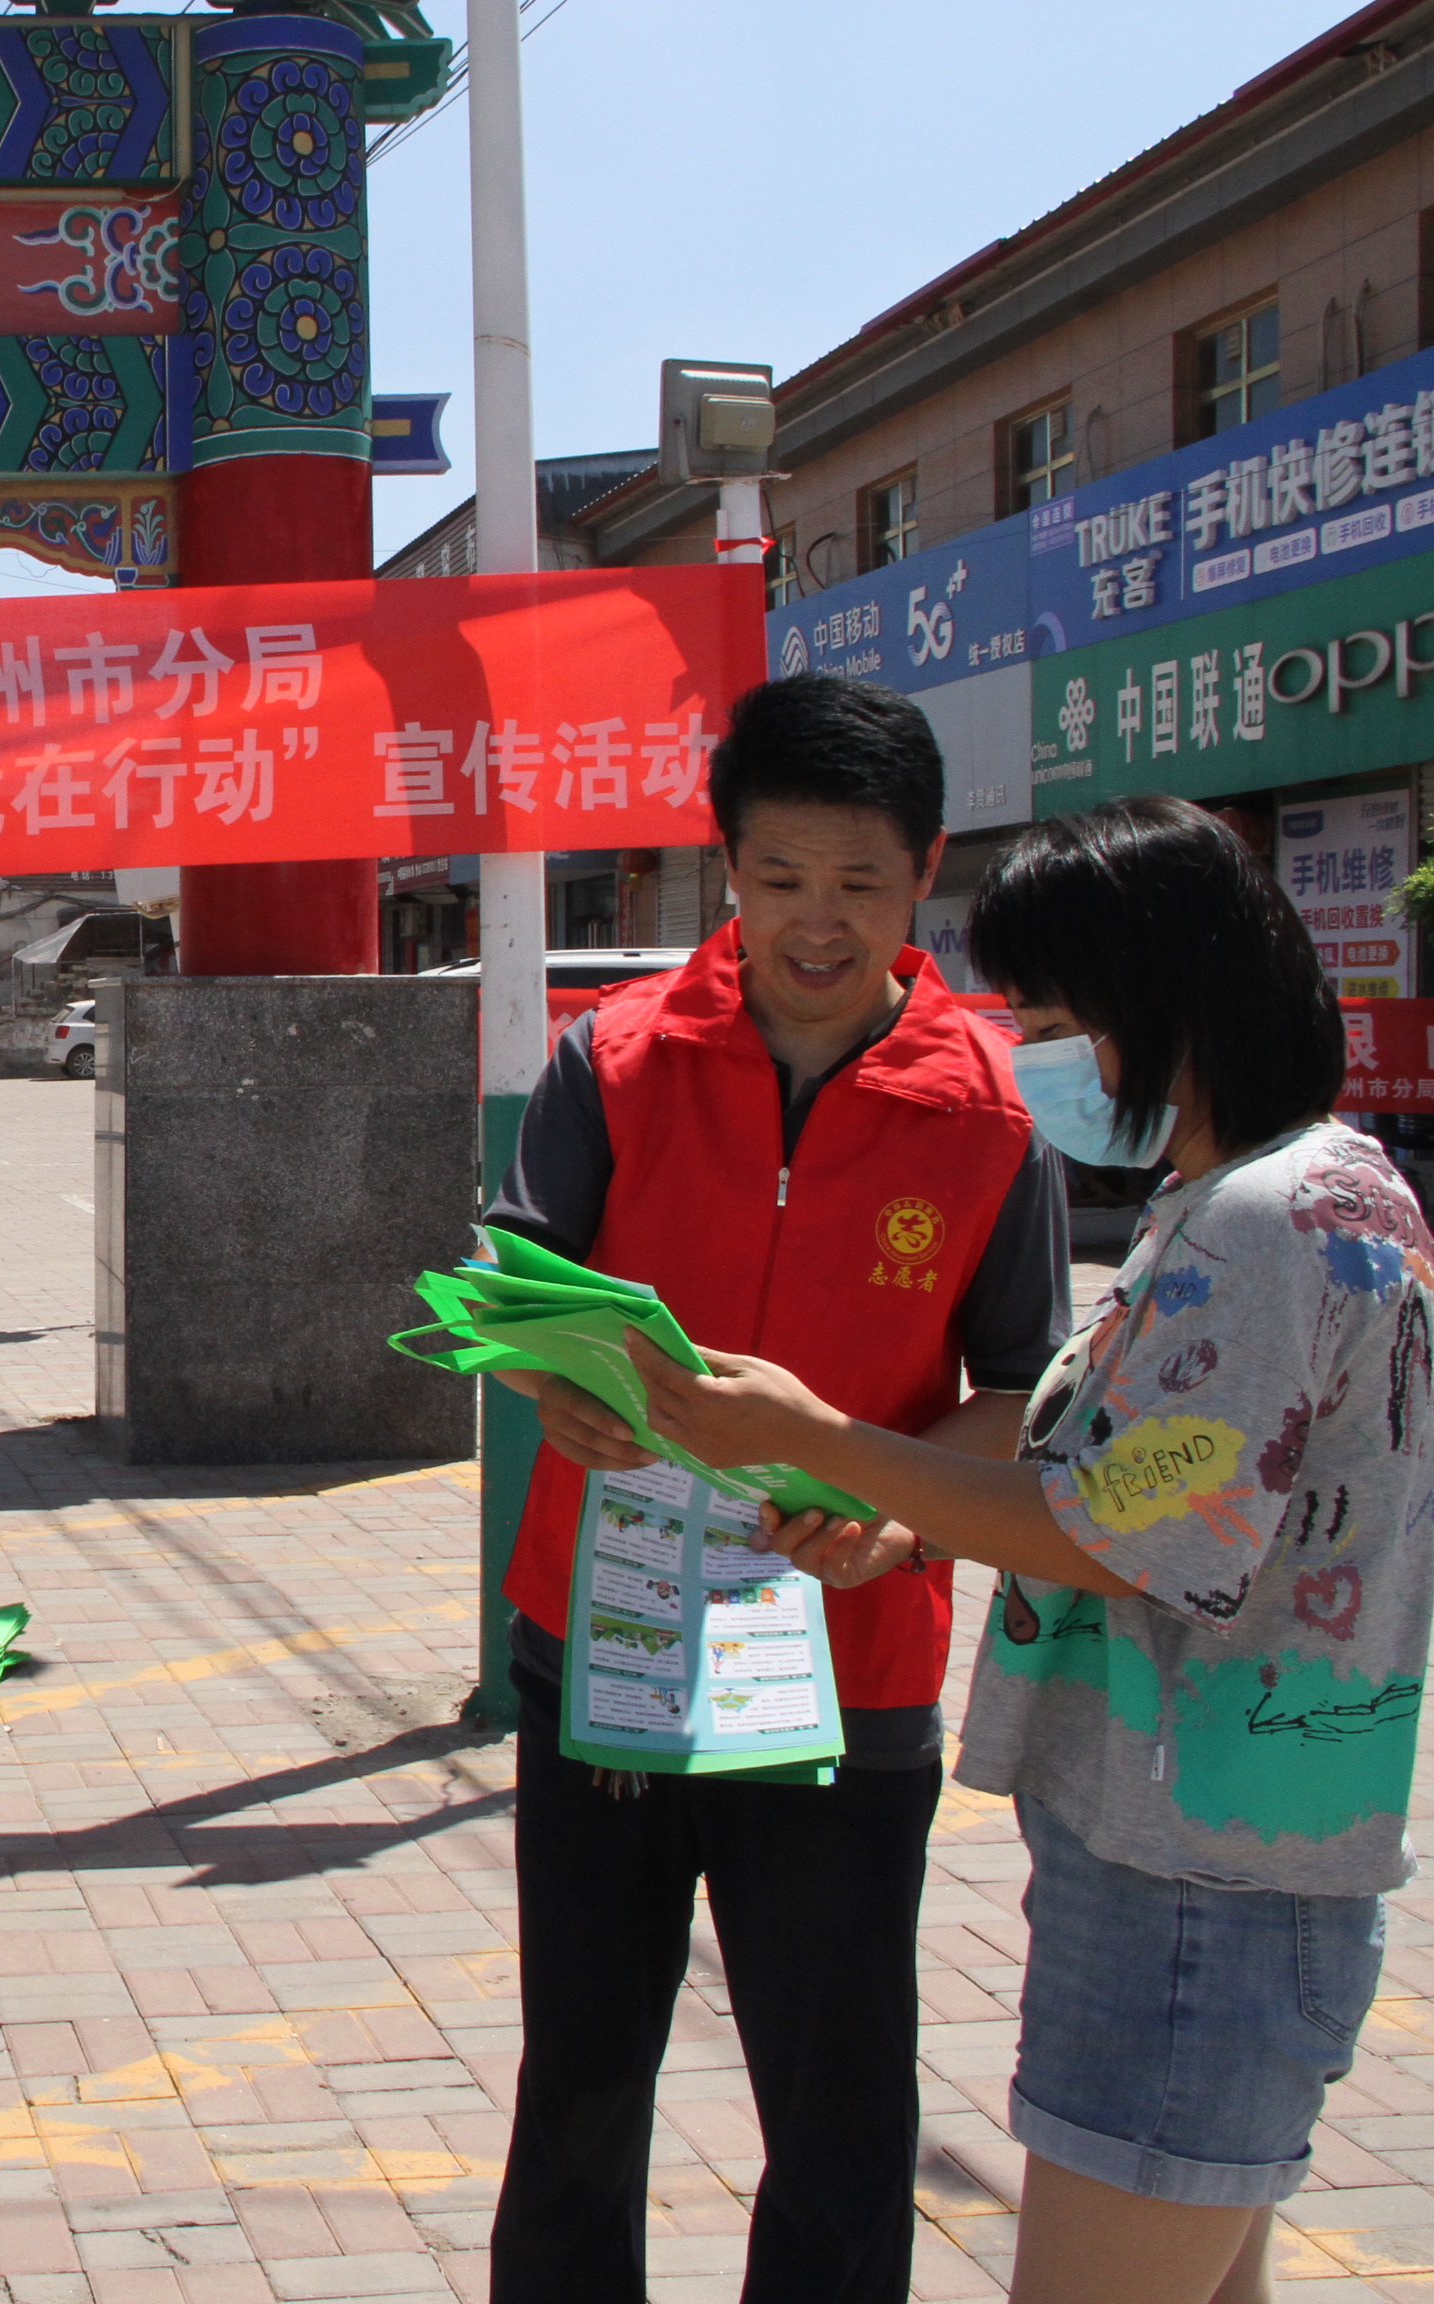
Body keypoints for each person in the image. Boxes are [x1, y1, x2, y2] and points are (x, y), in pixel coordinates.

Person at [635, 795, 1434, 2304]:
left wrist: (812, 1433)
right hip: (1225, 1847)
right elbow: (1122, 1492)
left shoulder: (1260, 1225)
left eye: (1064, 1017)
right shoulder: (1298, 1186)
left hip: (1194, 1883)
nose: (1040, 1056)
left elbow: (1123, 1536)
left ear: (1170, 997)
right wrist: (898, 1517)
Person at [478, 675, 1071, 2303]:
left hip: (845, 1668)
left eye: (860, 883)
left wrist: (890, 1513)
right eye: (779, 879)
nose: (818, 922)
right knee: (582, 2079)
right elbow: (513, 1287)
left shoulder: (989, 1115)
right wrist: (558, 1386)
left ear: (925, 869)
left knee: (836, 2096)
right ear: (724, 868)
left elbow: (1021, 1387)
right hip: (603, 1641)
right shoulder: (612, 1060)